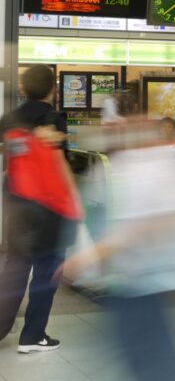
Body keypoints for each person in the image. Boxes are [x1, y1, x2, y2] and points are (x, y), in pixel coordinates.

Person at [61, 120, 175, 381]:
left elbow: (156, 222)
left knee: (154, 364)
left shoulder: (160, 164)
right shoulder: (129, 165)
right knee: (144, 360)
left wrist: (93, 255)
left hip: (148, 286)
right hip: (132, 284)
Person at [0, 64, 79, 354]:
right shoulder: (55, 119)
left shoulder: (9, 119)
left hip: (18, 206)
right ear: (53, 89)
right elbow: (59, 167)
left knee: (15, 268)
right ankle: (33, 335)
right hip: (49, 210)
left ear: (23, 88)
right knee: (47, 272)